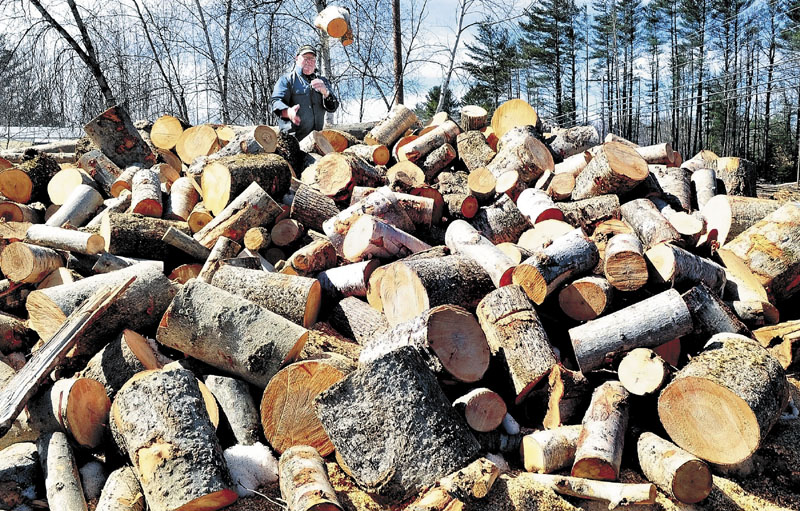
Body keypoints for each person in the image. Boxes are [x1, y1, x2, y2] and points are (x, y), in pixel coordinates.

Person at [271, 44, 339, 141]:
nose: (309, 61)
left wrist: (326, 93)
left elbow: (333, 107)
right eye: (305, 58)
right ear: (297, 58)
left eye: (312, 58)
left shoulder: (322, 81)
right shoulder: (286, 80)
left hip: (316, 140)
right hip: (292, 141)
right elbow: (276, 102)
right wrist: (288, 111)